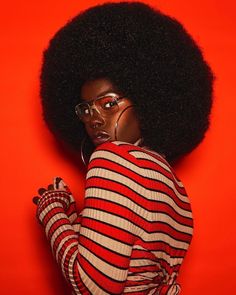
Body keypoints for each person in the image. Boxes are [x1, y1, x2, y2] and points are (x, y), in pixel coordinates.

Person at [33, 2, 213, 294]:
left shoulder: (109, 159)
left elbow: (91, 285)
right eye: (86, 110)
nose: (95, 119)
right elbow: (135, 264)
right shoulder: (175, 188)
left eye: (108, 103)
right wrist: (76, 218)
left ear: (146, 102)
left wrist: (52, 212)